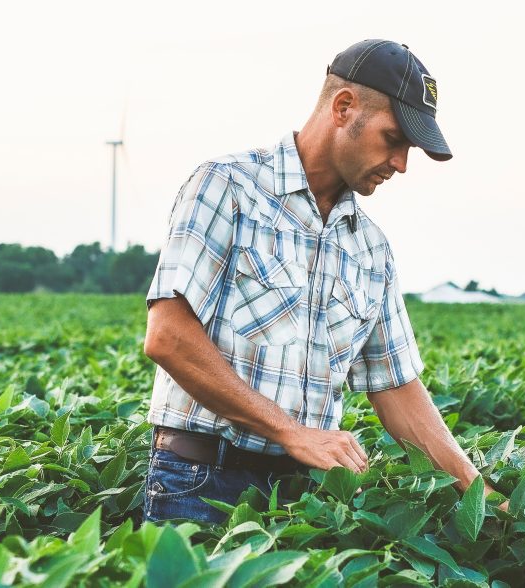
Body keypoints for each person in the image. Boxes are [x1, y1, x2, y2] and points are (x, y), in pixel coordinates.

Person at [142, 39, 503, 524]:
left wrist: (481, 495)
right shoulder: (228, 187)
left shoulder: (371, 248)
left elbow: (396, 386)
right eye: (394, 139)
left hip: (305, 497)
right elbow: (169, 337)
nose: (400, 164)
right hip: (202, 482)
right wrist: (291, 432)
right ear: (344, 107)